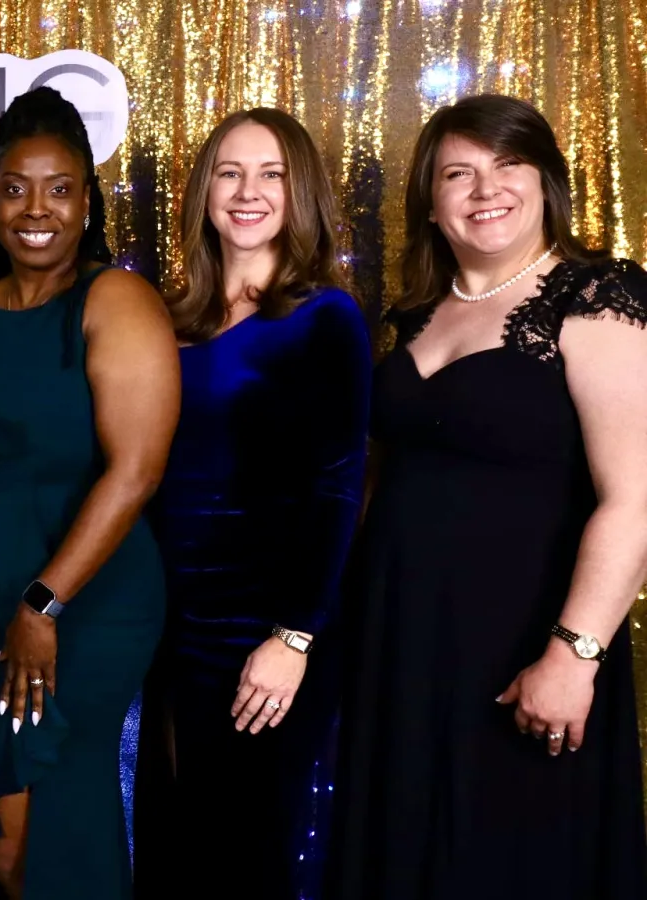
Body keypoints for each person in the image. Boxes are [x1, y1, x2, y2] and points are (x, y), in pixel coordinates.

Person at [327, 94, 647, 899]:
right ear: (430, 204)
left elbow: (636, 498)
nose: (484, 190)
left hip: (523, 647)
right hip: (403, 645)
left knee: (511, 858)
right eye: (458, 174)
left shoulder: (596, 296)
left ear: (546, 182)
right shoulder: (418, 315)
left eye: (508, 166)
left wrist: (574, 657)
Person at [0, 86, 180, 900]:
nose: (36, 208)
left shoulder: (116, 301)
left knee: (37, 819)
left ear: (87, 202)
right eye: (15, 187)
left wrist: (41, 606)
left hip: (81, 605)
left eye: (59, 189)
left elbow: (137, 472)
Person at [132, 109, 370, 899]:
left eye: (271, 174)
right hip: (171, 621)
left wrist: (293, 636)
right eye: (230, 172)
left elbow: (339, 483)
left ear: (298, 192)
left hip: (262, 630)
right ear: (204, 192)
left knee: (243, 845)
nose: (248, 191)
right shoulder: (170, 319)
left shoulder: (323, 317)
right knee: (175, 841)